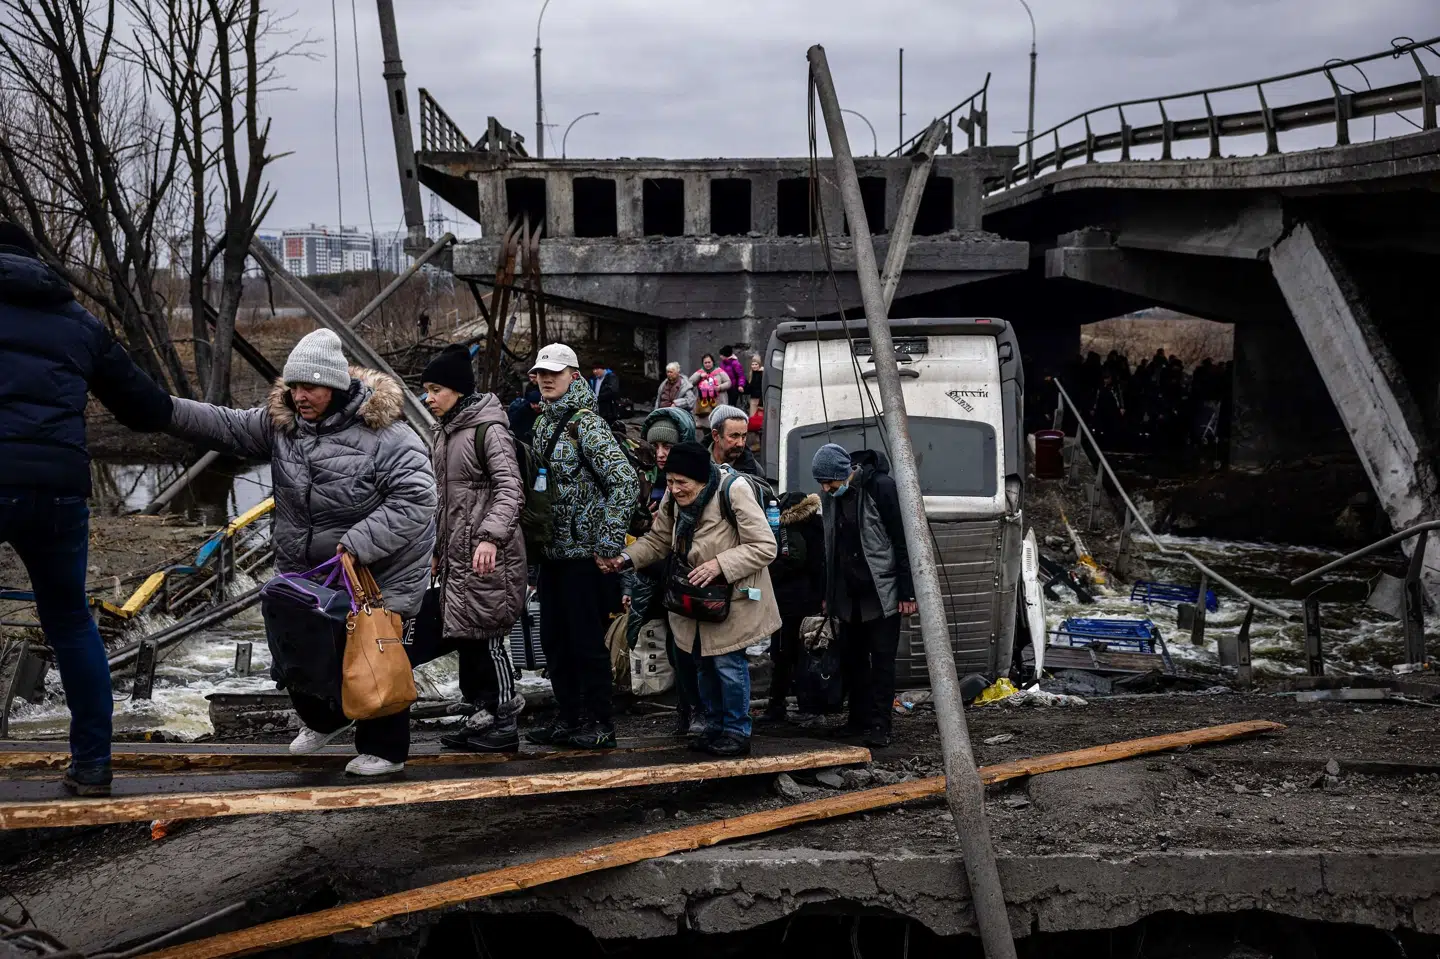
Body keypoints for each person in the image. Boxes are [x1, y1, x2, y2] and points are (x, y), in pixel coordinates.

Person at [168, 329, 436, 776]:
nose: (299, 395)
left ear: (335, 386)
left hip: (379, 570)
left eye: (309, 387)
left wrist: (358, 543)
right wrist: (162, 409)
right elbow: (226, 425)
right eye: (292, 386)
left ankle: (386, 751)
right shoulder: (284, 423)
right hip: (310, 568)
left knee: (374, 651)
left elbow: (417, 499)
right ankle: (325, 719)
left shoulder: (388, 435)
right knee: (297, 640)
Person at [0, 222, 173, 797]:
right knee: (73, 624)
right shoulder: (79, 322)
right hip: (57, 490)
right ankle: (93, 766)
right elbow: (146, 410)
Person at [610, 442, 779, 757]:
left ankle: (736, 731)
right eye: (670, 481)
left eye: (681, 483)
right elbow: (660, 539)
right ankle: (713, 725)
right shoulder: (674, 502)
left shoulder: (733, 491)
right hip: (693, 599)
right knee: (702, 663)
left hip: (732, 600)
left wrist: (720, 565)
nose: (673, 489)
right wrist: (626, 558)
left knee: (728, 664)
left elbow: (764, 546)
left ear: (700, 479)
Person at [526, 343, 639, 749]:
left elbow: (625, 481)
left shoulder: (587, 424)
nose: (546, 378)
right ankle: (569, 716)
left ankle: (600, 722)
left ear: (574, 375)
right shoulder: (542, 424)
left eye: (554, 372)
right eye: (541, 372)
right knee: (554, 640)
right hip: (552, 556)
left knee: (587, 642)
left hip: (584, 557)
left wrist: (608, 542)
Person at [416, 345, 527, 753]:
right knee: (467, 636)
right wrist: (434, 548)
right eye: (426, 389)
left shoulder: (489, 430)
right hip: (458, 556)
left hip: (490, 555)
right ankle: (481, 713)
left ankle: (504, 718)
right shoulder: (445, 433)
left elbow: (510, 490)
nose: (428, 397)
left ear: (458, 391)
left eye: (435, 389)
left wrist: (489, 537)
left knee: (491, 638)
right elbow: (443, 501)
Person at [812, 443, 916, 748]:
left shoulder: (880, 488)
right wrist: (828, 595)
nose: (826, 488)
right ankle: (857, 722)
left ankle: (881, 725)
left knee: (882, 660)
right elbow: (829, 547)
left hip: (880, 591)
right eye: (822, 483)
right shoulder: (830, 497)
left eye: (829, 481)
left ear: (843, 474)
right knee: (852, 659)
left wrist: (906, 591)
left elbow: (901, 541)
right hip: (848, 595)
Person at [627, 407, 704, 735]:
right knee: (665, 646)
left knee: (688, 647)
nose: (660, 454)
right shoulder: (643, 476)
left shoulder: (696, 479)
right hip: (652, 575)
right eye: (655, 446)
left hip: (686, 577)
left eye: (668, 447)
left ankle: (695, 711)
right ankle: (684, 711)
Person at [763, 490, 824, 723]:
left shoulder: (787, 527)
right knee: (805, 655)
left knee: (782, 654)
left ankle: (778, 706)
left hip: (788, 601)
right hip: (808, 601)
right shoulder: (816, 523)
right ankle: (810, 707)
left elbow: (788, 560)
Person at [705, 404, 761, 476]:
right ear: (715, 435)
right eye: (734, 436)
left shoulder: (754, 470)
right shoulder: (694, 463)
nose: (740, 444)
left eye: (744, 436)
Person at [690, 354, 732, 427]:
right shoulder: (700, 372)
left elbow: (728, 382)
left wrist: (720, 387)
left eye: (709, 362)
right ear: (703, 363)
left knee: (718, 424)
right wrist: (699, 376)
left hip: (718, 402)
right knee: (705, 426)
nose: (707, 364)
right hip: (703, 404)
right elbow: (690, 382)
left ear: (713, 362)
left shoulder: (719, 371)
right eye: (705, 363)